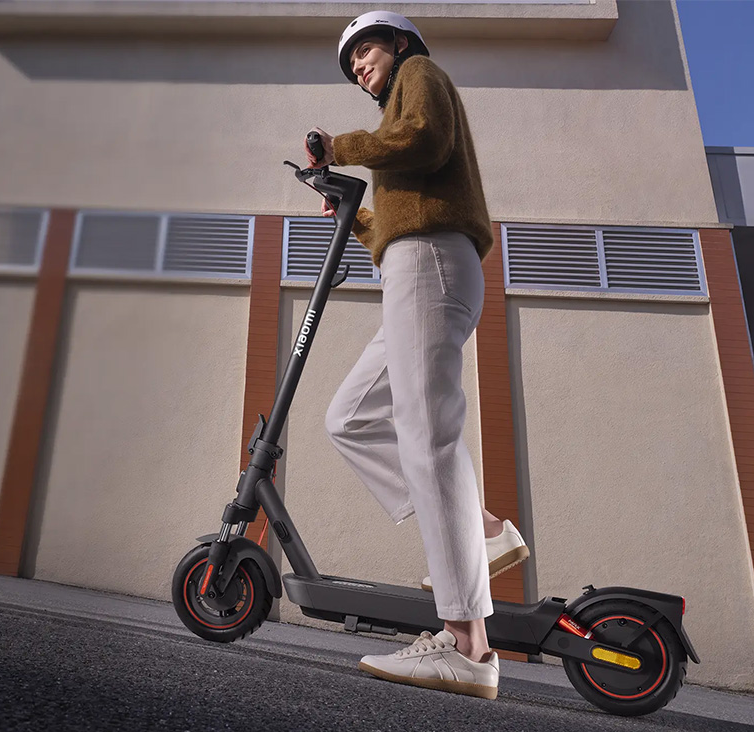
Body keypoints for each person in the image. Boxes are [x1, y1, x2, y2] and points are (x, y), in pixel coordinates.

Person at [303, 11, 529, 701]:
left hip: (431, 262)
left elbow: (424, 140)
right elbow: (397, 220)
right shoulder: (394, 132)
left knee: (429, 437)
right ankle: (482, 532)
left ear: (398, 45)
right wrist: (356, 214)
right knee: (349, 418)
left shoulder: (420, 78)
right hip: (413, 260)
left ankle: (467, 646)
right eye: (351, 64)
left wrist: (337, 146)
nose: (358, 66)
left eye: (365, 51)